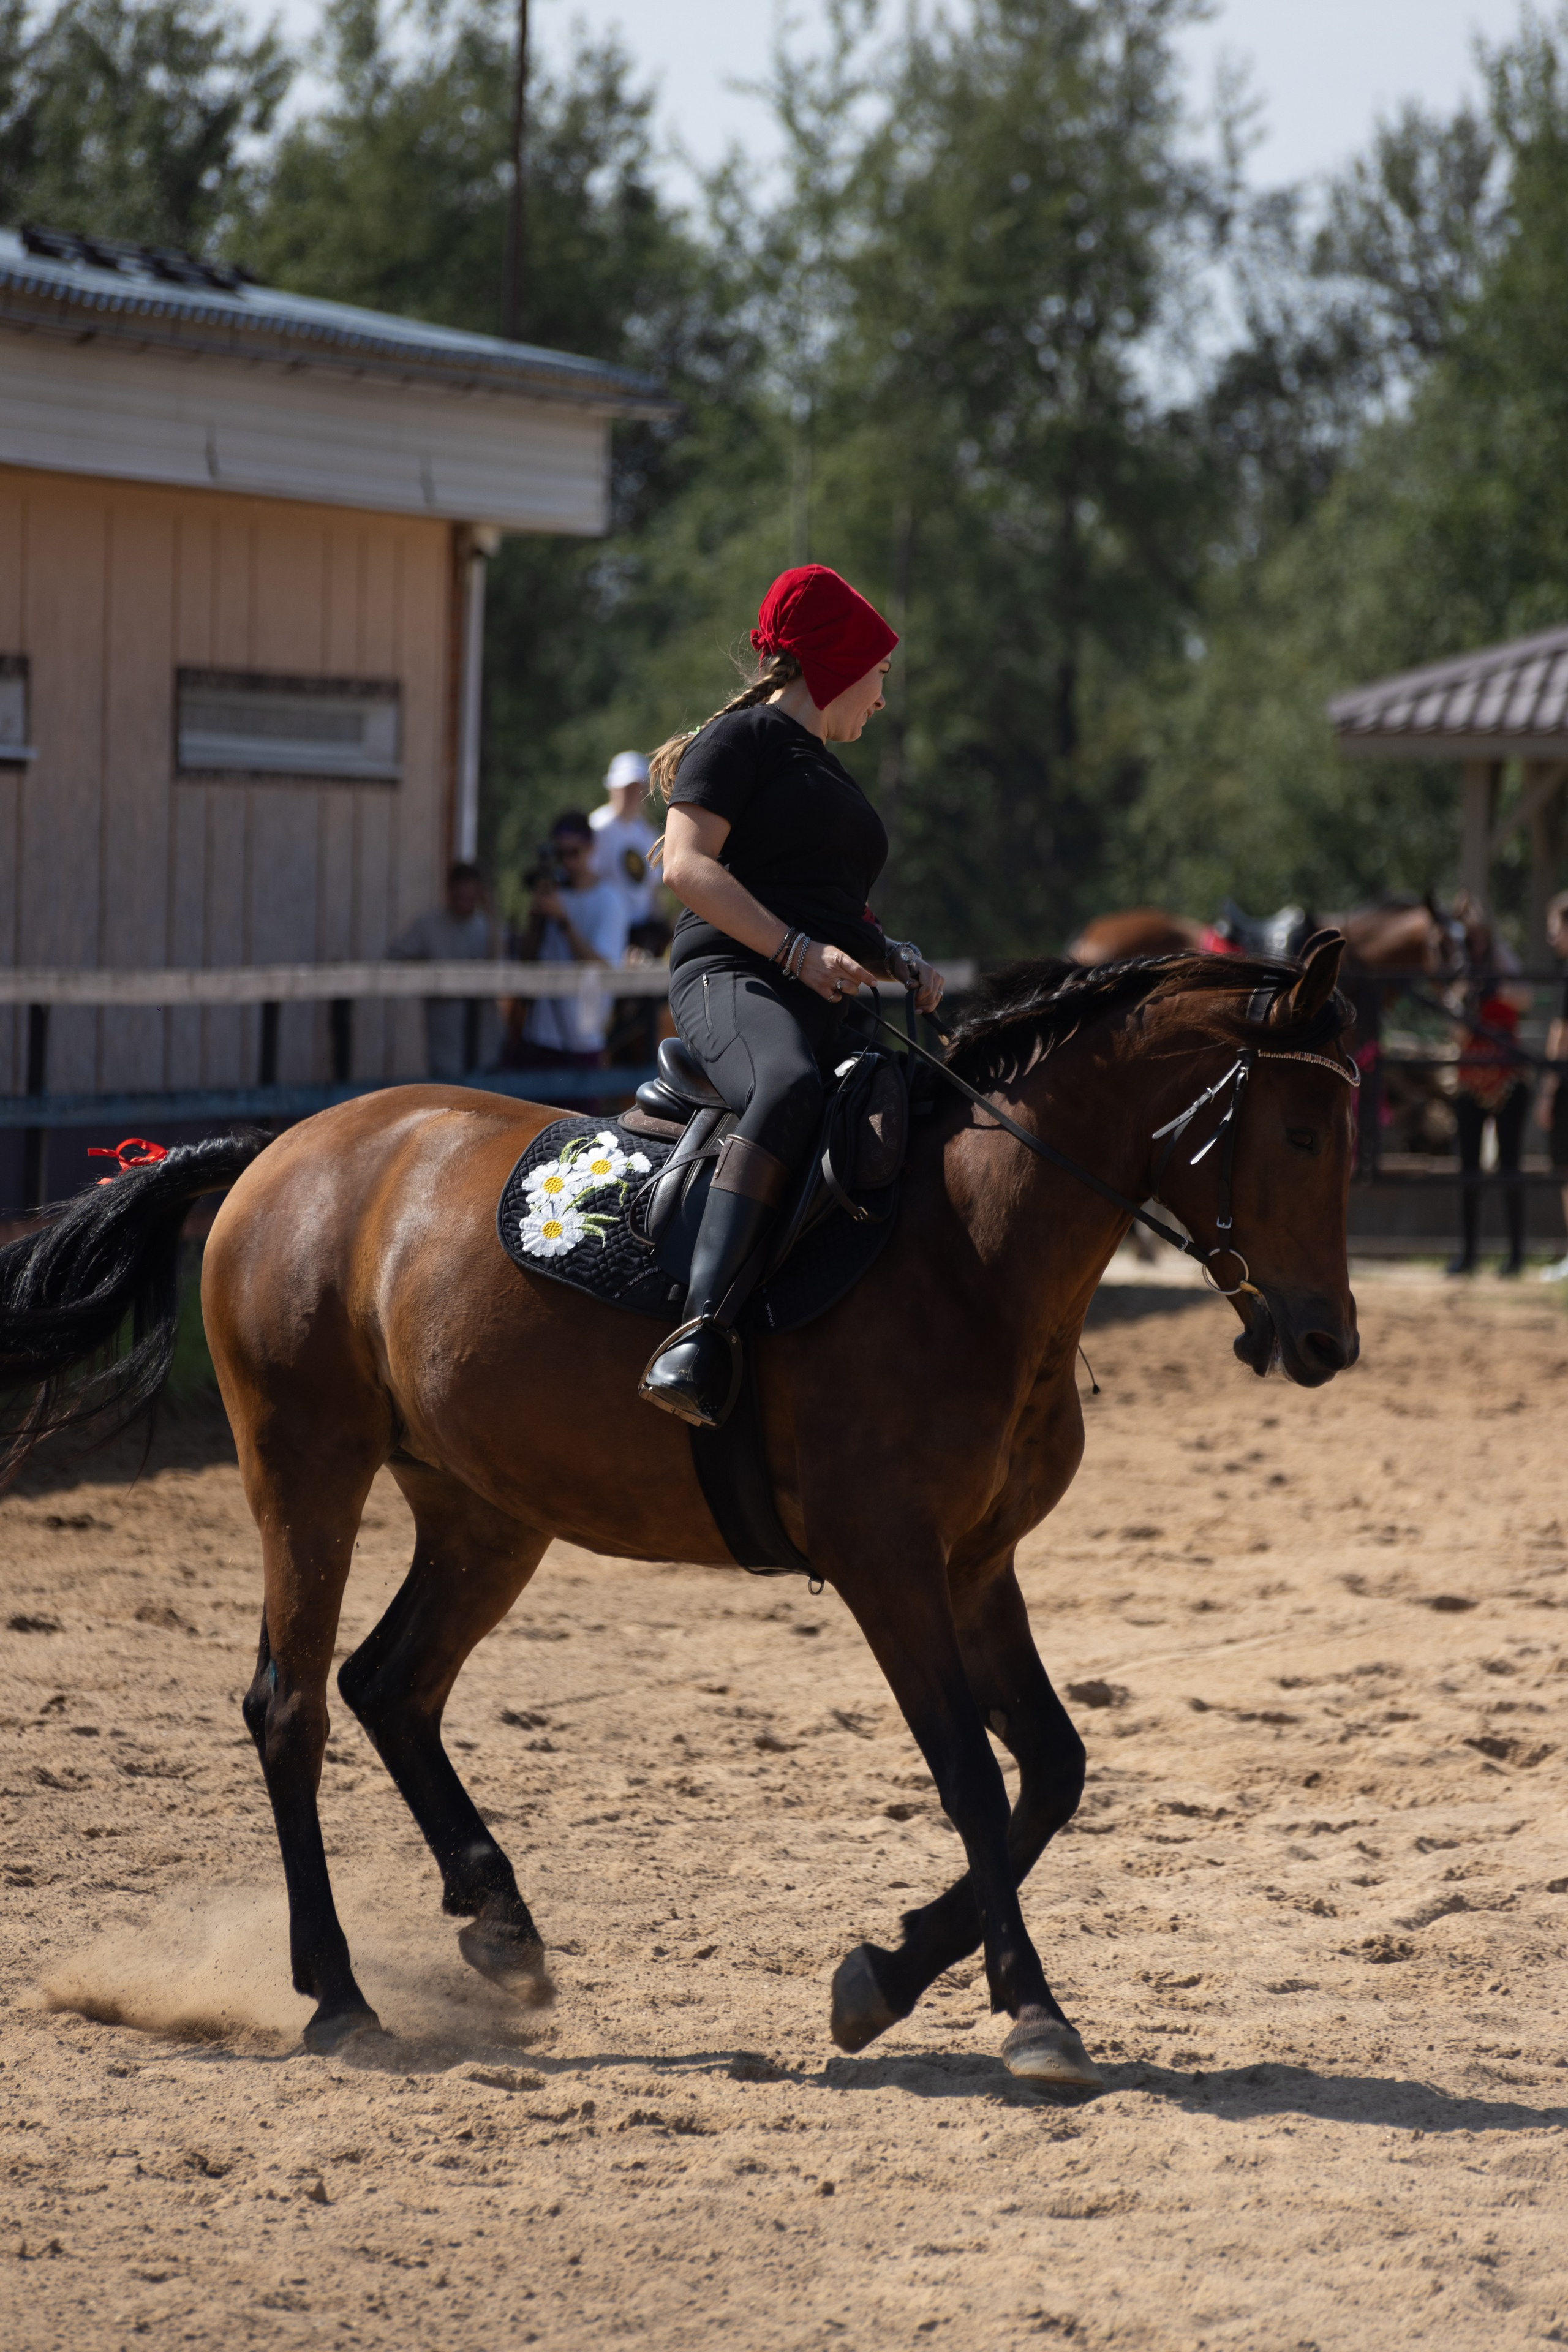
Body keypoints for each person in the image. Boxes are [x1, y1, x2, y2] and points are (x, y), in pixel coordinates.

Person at [636, 562, 944, 1427]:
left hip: (812, 983)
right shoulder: (737, 744)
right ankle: (697, 1334)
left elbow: (827, 905)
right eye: (878, 675)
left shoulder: (830, 775)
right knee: (789, 1087)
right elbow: (687, 867)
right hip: (730, 977)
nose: (881, 699)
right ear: (838, 661)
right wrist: (799, 951)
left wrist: (893, 956)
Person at [502, 810, 629, 1078]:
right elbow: (525, 960)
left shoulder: (610, 900)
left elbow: (603, 966)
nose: (567, 862)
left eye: (574, 853)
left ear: (590, 848)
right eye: (560, 854)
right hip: (538, 1033)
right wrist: (536, 919)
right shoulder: (551, 891)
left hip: (583, 1036)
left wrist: (563, 921)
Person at [1448, 897, 1532, 1278]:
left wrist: (1495, 988)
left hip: (1508, 1079)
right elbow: (1456, 1032)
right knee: (1468, 1169)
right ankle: (1468, 1255)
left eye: (1480, 936)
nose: (1476, 944)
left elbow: (1526, 997)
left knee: (1510, 1167)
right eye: (1470, 937)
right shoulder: (1461, 970)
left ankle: (1516, 1255)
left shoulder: (1502, 958)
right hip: (1470, 1079)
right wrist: (1469, 998)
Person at [388, 860, 502, 1079]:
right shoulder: (428, 926)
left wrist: (492, 913)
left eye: (470, 897)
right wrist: (429, 975)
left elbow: (501, 962)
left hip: (485, 1044)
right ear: (449, 891)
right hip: (446, 1042)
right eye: (459, 895)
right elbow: (395, 958)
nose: (464, 902)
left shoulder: (486, 926)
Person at [590, 751, 666, 951]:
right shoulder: (598, 829)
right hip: (608, 927)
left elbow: (653, 891)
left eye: (637, 788)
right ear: (613, 789)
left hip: (642, 931)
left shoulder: (648, 834)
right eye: (626, 788)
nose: (632, 795)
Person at [1536, 889, 1568, 1280]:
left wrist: (1547, 1092)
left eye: (1556, 928)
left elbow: (1561, 1038)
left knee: (1565, 1170)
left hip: (1565, 1084)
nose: (1552, 937)